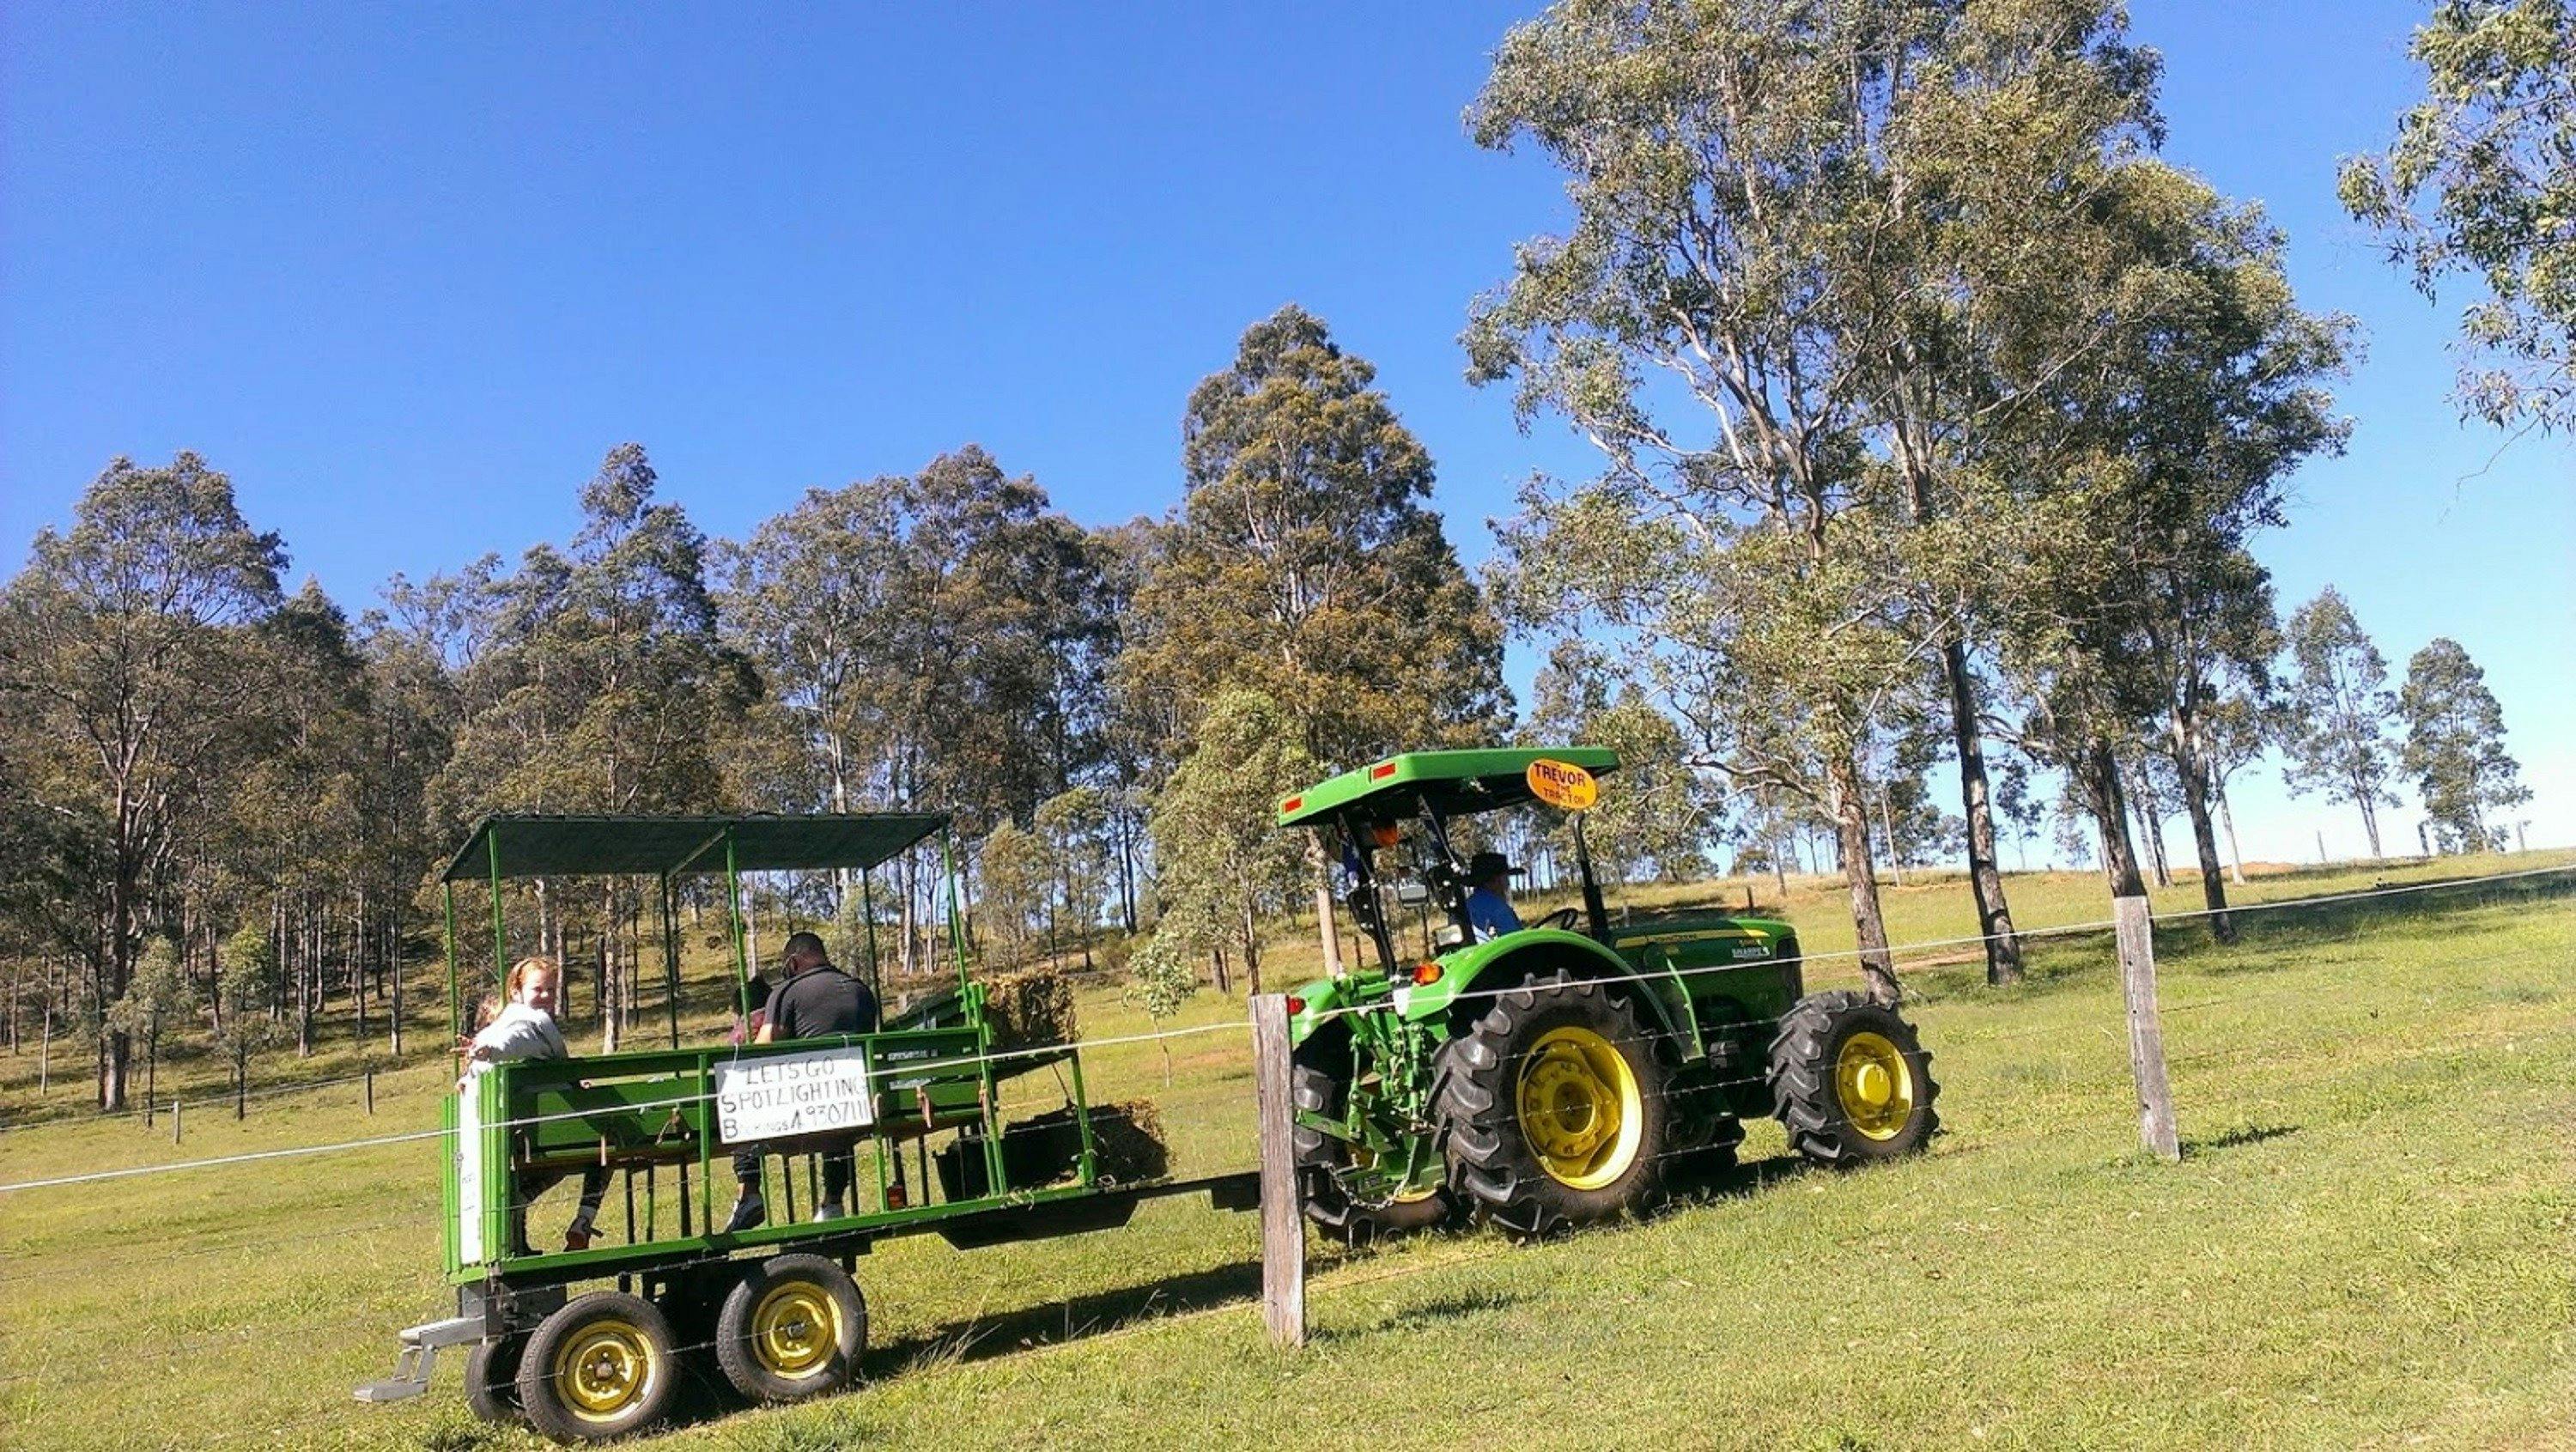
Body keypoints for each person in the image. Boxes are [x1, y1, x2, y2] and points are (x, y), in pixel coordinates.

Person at [724, 931, 879, 1231]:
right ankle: (833, 1201)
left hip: (802, 1112)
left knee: (741, 1086)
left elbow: (763, 1049)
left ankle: (749, 1191)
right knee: (840, 1098)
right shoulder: (862, 990)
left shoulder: (787, 992)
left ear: (794, 963)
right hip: (856, 1106)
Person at [459, 957, 613, 1254]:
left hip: (523, 1129)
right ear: (516, 992)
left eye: (551, 990)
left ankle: (518, 1209)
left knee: (559, 1165)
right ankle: (583, 1220)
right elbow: (516, 1042)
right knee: (611, 1141)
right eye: (538, 989)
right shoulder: (528, 1023)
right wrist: (493, 1051)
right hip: (543, 1130)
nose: (545, 996)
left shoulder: (500, 1025)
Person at [1465, 850, 1524, 942]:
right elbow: (1517, 942)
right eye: (1506, 878)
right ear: (1496, 880)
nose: (1508, 884)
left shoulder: (1466, 906)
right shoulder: (1498, 908)